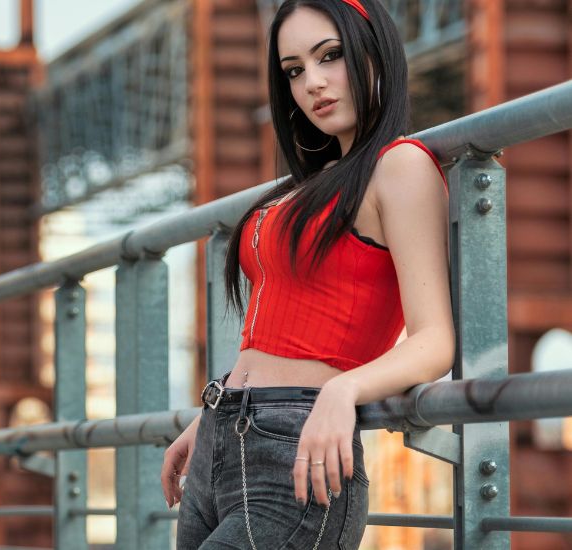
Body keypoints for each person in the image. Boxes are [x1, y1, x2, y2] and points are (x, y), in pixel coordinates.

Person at [160, 0, 455, 548]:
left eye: (331, 56)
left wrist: (345, 390)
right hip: (223, 436)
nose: (312, 83)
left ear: (376, 53)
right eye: (294, 70)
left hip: (298, 454)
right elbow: (279, 324)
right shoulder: (313, 183)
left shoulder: (400, 166)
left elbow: (435, 340)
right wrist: (216, 414)